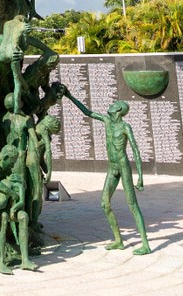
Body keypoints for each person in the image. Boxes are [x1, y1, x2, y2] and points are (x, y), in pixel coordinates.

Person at [63, 89, 151, 255]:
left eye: (114, 104)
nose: (110, 105)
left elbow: (136, 151)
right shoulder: (106, 121)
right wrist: (69, 96)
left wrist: (140, 177)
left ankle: (145, 244)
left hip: (123, 166)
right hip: (112, 167)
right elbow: (87, 112)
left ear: (119, 110)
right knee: (104, 203)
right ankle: (118, 240)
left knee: (132, 205)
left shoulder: (125, 127)